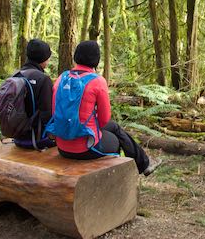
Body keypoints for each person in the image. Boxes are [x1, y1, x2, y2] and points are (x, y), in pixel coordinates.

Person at [51, 40, 161, 176]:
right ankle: (137, 168)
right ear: (96, 59)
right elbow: (103, 120)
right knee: (115, 140)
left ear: (76, 56)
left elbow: (54, 112)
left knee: (114, 127)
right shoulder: (97, 81)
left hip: (61, 145)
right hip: (85, 149)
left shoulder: (62, 78)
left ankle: (145, 163)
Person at [13, 39, 56, 149]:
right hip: (38, 140)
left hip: (17, 138)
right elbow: (48, 114)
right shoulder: (43, 79)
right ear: (44, 59)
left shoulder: (16, 75)